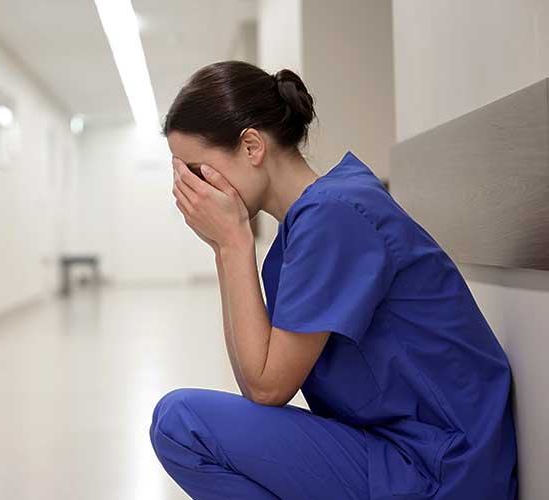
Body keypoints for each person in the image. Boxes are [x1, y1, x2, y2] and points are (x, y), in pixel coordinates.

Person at [148, 60, 518, 500]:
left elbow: (267, 387)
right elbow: (254, 382)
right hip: (401, 453)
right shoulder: (305, 227)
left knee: (180, 422)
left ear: (251, 146)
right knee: (180, 423)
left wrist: (231, 245)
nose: (189, 191)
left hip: (439, 468)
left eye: (196, 170)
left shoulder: (335, 215)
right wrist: (223, 246)